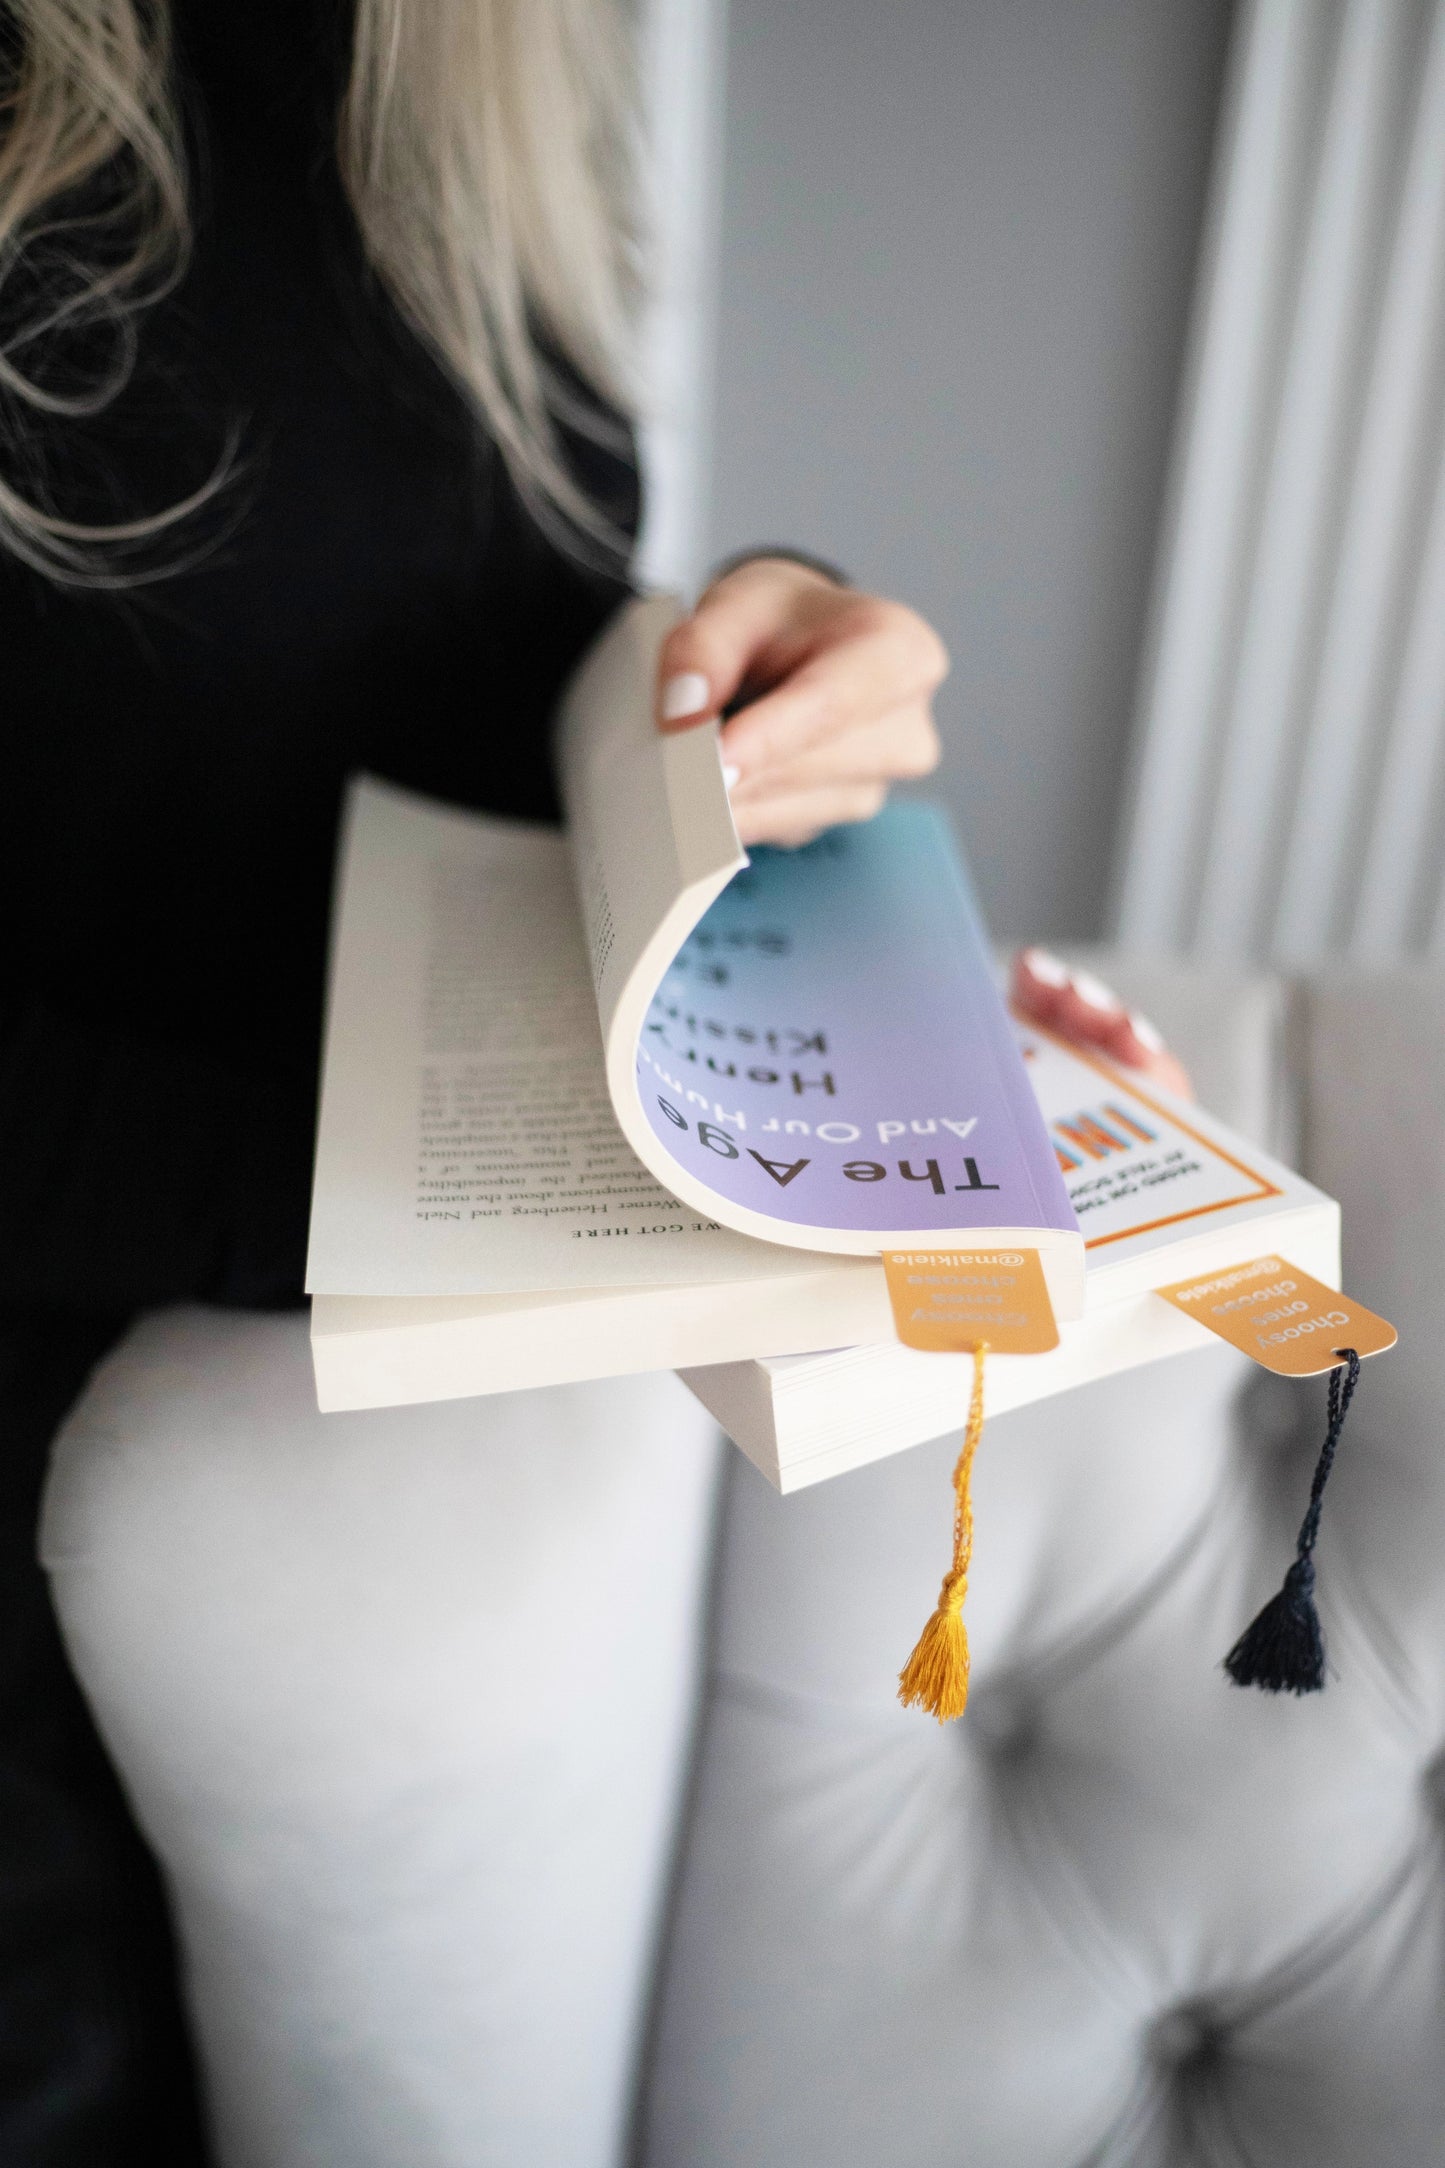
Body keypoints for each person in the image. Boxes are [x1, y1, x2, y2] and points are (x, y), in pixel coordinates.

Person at [0, 3, 1185, 2160]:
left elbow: (439, 632)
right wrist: (408, 1199)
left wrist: (761, 703)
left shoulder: (471, 57)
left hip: (355, 1490)